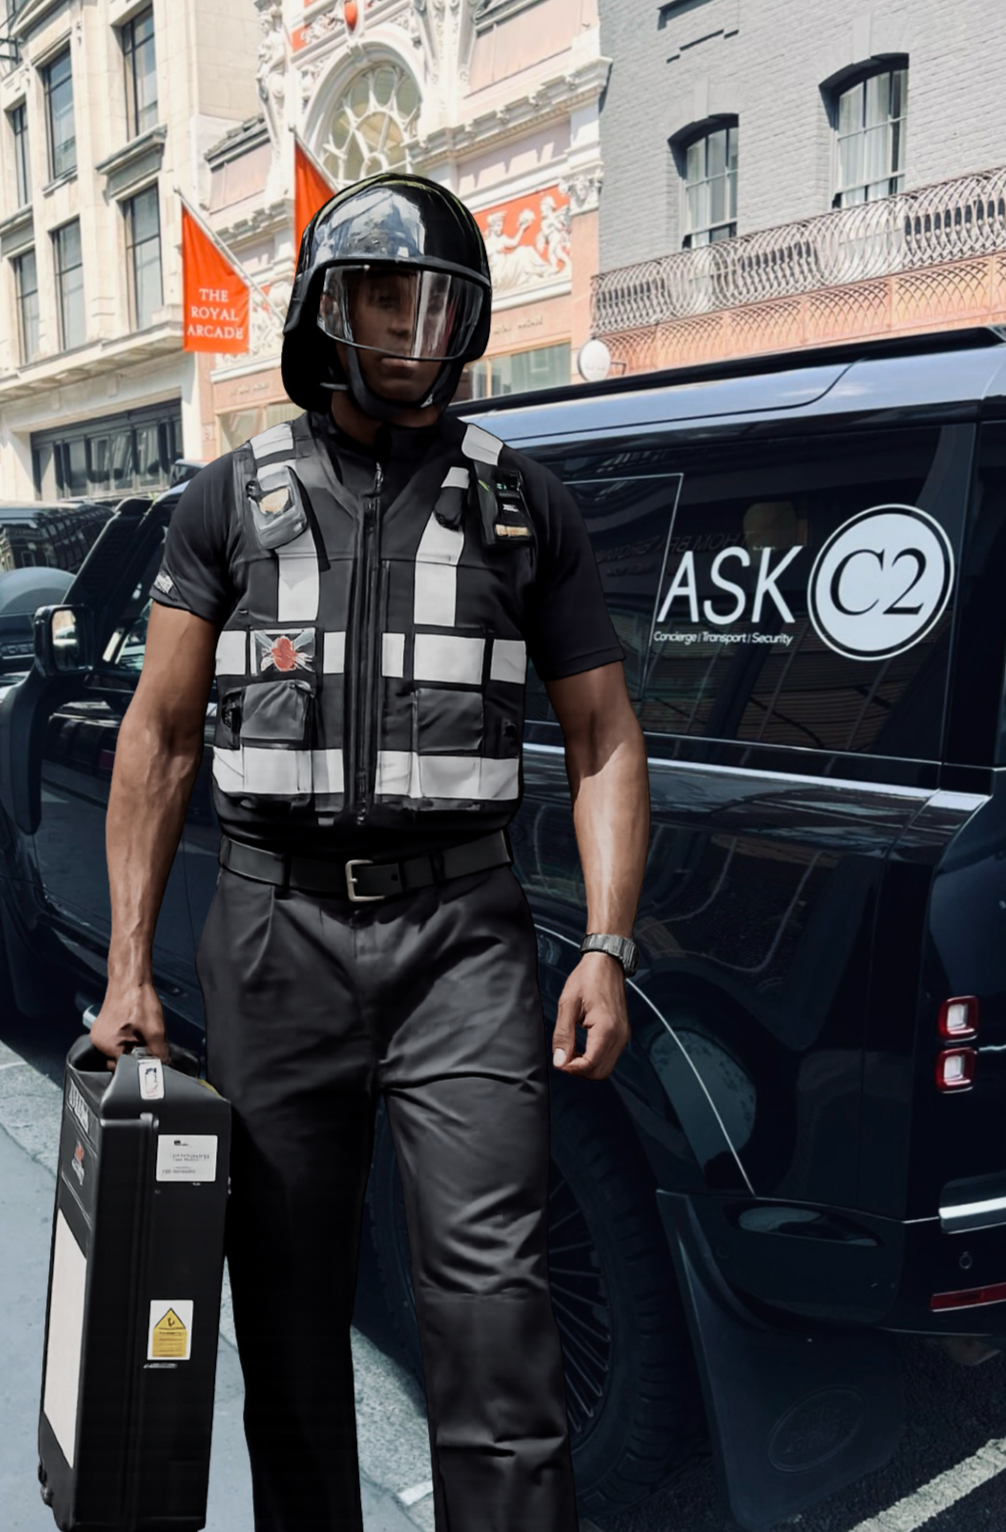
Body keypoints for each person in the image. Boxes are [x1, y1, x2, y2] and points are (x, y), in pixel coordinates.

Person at [90, 172, 650, 1532]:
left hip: (465, 945)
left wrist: (608, 945)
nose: (413, 329)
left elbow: (604, 738)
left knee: (498, 1318)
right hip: (271, 938)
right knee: (286, 1317)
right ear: (324, 311)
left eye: (439, 306)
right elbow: (159, 741)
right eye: (387, 300)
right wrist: (127, 970)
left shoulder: (525, 506)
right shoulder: (227, 503)